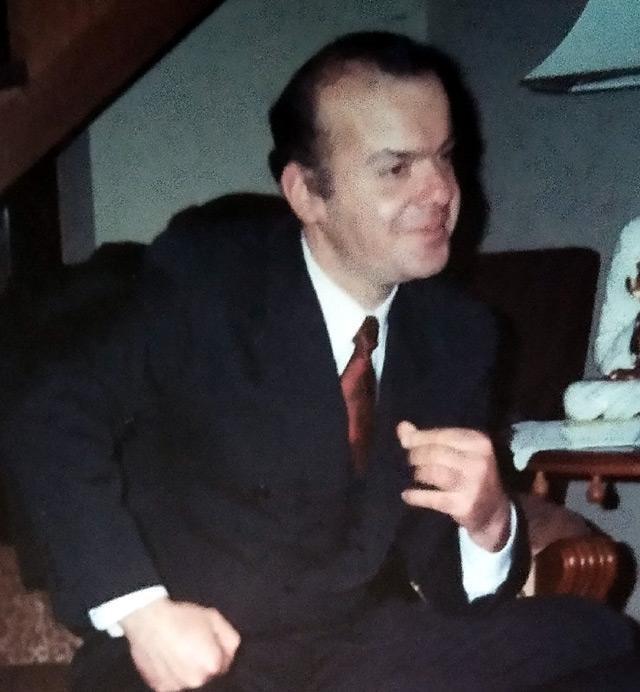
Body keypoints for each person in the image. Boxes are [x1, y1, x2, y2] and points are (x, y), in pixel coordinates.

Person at [2, 31, 638, 691]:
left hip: (357, 650)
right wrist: (142, 612)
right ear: (307, 193)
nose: (441, 191)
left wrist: (489, 522)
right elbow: (47, 414)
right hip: (197, 653)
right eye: (397, 167)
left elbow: (451, 589)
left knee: (599, 640)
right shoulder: (207, 280)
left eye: (445, 156)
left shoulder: (458, 333)